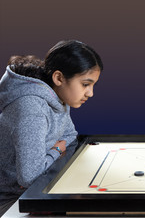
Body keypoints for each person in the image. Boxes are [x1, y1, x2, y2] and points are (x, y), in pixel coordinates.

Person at [0, 40, 103, 216]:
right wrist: (56, 149)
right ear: (59, 78)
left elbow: (70, 135)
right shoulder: (30, 107)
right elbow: (30, 177)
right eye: (85, 84)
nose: (90, 93)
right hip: (12, 200)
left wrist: (52, 153)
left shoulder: (55, 95)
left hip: (35, 191)